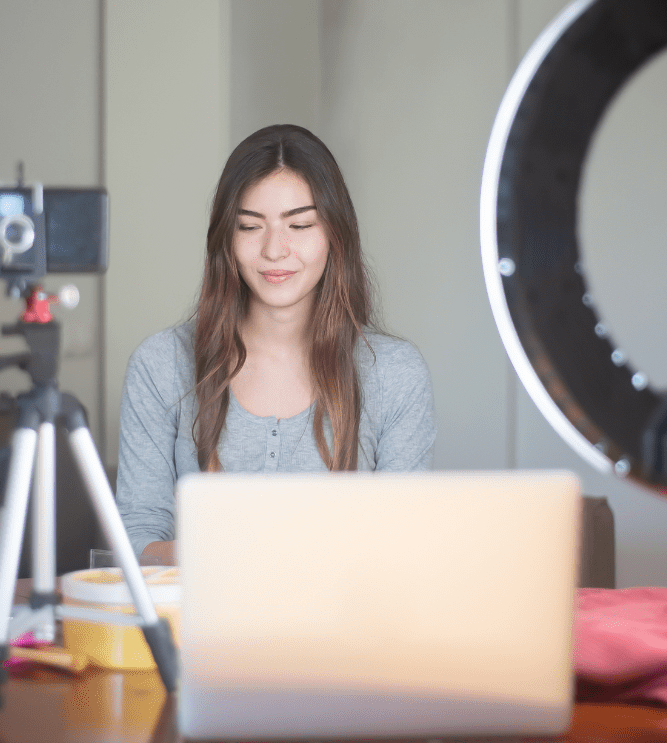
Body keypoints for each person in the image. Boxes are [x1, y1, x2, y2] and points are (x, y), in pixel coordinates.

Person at [115, 125, 435, 565]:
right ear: (226, 238)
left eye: (300, 224)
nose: (274, 250)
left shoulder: (395, 373)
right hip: (200, 629)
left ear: (335, 235)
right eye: (250, 226)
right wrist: (232, 553)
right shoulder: (160, 365)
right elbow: (136, 542)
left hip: (343, 630)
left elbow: (404, 548)